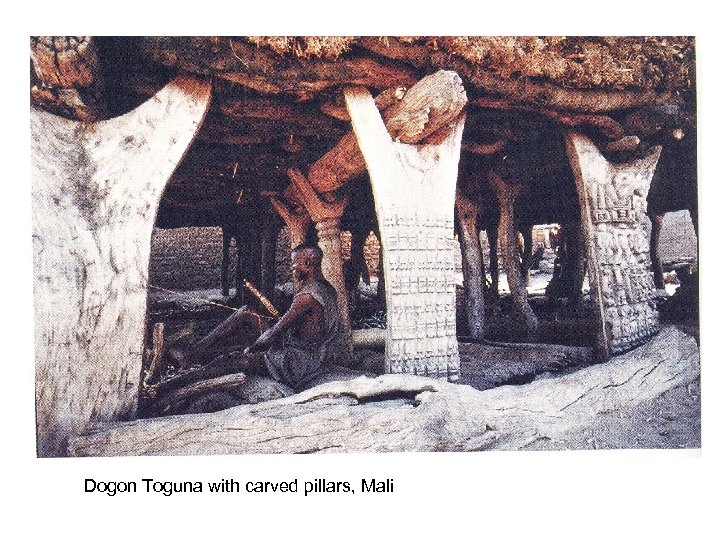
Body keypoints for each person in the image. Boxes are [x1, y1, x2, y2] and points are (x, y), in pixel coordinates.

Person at [171, 244, 348, 392]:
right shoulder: (327, 288)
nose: (292, 268)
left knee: (231, 362)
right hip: (308, 351)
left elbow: (272, 335)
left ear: (307, 264)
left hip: (299, 361)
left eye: (294, 264)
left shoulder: (308, 296)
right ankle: (195, 351)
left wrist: (251, 349)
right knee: (247, 311)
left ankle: (184, 374)